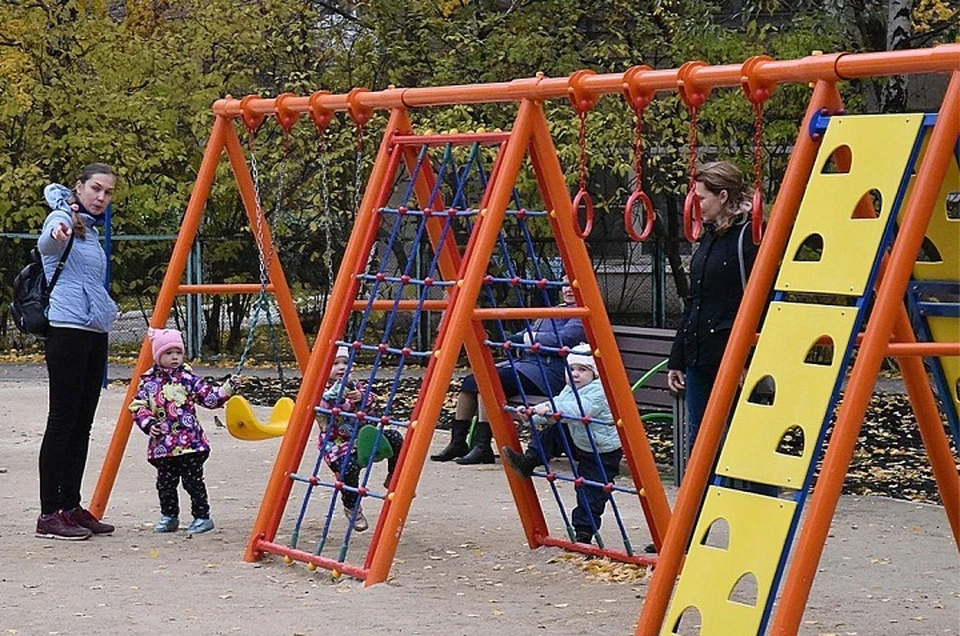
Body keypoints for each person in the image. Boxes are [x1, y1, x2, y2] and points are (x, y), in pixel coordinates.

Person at [35, 163, 119, 541]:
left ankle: (70, 506)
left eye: (107, 192)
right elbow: (48, 244)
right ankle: (48, 513)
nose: (101, 197)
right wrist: (59, 229)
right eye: (95, 189)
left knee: (82, 423)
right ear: (79, 187)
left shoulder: (92, 231)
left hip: (92, 330)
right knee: (63, 420)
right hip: (67, 329)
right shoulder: (63, 217)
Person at [432, 281, 586, 465]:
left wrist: (525, 339)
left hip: (548, 373)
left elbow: (564, 339)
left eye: (572, 284)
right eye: (564, 284)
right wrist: (515, 339)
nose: (568, 289)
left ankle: (482, 446)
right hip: (527, 367)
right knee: (471, 381)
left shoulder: (580, 314)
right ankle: (458, 442)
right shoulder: (557, 309)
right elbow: (530, 331)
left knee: (488, 381)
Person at [667, 161, 759, 449]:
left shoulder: (750, 237)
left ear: (722, 197)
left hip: (733, 352)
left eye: (702, 198)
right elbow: (695, 300)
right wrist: (678, 359)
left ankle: (754, 495)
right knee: (701, 442)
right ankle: (701, 495)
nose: (697, 205)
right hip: (700, 355)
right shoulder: (709, 236)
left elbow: (761, 300)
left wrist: (748, 357)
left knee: (745, 442)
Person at [500, 345, 620, 545]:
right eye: (571, 369)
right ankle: (529, 461)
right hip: (578, 439)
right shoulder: (570, 389)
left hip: (601, 451)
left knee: (591, 492)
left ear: (594, 374)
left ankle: (584, 532)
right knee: (553, 430)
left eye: (582, 370)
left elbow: (580, 410)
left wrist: (547, 408)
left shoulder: (599, 391)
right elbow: (556, 406)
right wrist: (532, 415)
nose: (575, 374)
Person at [129, 329, 238, 534]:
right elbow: (138, 406)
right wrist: (148, 423)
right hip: (163, 445)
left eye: (178, 353)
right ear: (158, 356)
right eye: (169, 353)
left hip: (190, 443)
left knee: (193, 481)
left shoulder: (188, 379)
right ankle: (169, 516)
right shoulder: (149, 382)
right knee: (165, 484)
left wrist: (228, 388)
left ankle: (202, 516)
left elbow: (210, 398)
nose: (174, 357)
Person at [317, 346, 403, 532]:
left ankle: (393, 477)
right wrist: (340, 398)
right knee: (349, 469)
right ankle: (352, 507)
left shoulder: (355, 386)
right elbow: (322, 405)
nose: (341, 367)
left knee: (395, 437)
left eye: (345, 363)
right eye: (335, 363)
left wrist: (362, 397)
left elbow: (373, 402)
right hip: (338, 445)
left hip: (363, 439)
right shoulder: (319, 388)